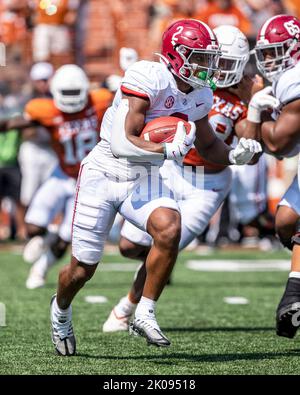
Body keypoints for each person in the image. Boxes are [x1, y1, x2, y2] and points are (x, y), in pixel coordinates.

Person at [47, 19, 261, 357]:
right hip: (104, 173)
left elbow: (208, 145)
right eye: (200, 58)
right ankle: (60, 310)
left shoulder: (201, 94)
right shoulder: (149, 75)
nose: (207, 67)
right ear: (177, 56)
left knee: (169, 228)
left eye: (209, 59)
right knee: (82, 269)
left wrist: (236, 154)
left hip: (144, 175)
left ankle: (145, 311)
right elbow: (122, 141)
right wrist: (163, 149)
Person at [102, 24, 265, 333]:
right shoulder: (195, 81)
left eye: (229, 64)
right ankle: (160, 266)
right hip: (171, 168)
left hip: (208, 184)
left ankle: (126, 309)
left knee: (167, 244)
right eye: (217, 61)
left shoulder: (246, 94)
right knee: (127, 246)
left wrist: (253, 107)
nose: (218, 70)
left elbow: (247, 144)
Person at [0, 64, 113, 289]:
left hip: (90, 180)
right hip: (61, 174)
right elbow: (13, 123)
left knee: (67, 238)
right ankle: (49, 235)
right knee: (32, 228)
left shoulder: (99, 101)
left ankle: (40, 269)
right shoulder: (46, 109)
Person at [243, 14, 300, 339]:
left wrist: (252, 115)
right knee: (285, 223)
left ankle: (293, 296)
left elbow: (280, 143)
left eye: (274, 51)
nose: (267, 59)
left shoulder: (295, 77)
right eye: (264, 52)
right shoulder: (287, 79)